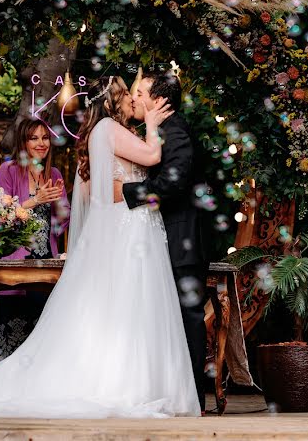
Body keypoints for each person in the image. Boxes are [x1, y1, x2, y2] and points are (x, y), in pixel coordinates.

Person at [0, 75, 201, 418]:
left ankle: (141, 380)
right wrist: (155, 124)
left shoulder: (113, 132)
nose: (134, 99)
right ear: (113, 100)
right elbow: (153, 157)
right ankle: (121, 383)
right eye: (129, 93)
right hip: (130, 228)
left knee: (134, 308)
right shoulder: (110, 130)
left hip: (135, 228)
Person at [122, 70, 209, 414]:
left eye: (141, 92)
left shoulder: (177, 133)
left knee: (188, 318)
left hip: (182, 240)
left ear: (159, 100)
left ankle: (194, 402)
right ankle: (174, 395)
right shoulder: (159, 132)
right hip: (165, 240)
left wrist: (126, 192)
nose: (135, 98)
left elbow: (172, 185)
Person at [0, 118, 70, 357]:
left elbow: (61, 223)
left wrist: (58, 202)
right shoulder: (10, 170)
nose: (41, 143)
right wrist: (36, 200)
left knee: (43, 343)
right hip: (17, 268)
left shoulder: (53, 173)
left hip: (46, 267)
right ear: (23, 142)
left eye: (45, 137)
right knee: (13, 343)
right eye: (34, 138)